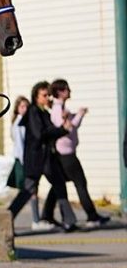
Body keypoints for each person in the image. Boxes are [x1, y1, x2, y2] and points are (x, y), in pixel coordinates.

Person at [7, 81, 75, 232]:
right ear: (36, 97)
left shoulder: (43, 112)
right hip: (36, 159)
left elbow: (49, 131)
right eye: (44, 95)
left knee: (59, 184)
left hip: (46, 158)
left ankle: (69, 220)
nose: (48, 98)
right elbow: (40, 134)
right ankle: (6, 219)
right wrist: (62, 130)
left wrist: (62, 128)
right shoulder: (33, 112)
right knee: (28, 190)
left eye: (48, 95)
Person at [42, 79, 109, 228]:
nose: (69, 91)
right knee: (80, 183)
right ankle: (92, 216)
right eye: (66, 89)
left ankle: (47, 215)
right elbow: (67, 128)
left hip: (66, 153)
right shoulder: (57, 109)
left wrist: (75, 115)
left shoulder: (60, 108)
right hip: (66, 154)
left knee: (58, 184)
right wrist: (80, 115)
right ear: (59, 92)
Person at [7, 95, 50, 230]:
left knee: (31, 190)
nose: (25, 109)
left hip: (29, 160)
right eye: (22, 106)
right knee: (28, 191)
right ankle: (33, 220)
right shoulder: (19, 124)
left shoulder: (27, 121)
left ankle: (36, 220)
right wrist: (25, 162)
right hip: (24, 161)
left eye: (26, 106)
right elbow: (20, 146)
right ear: (17, 109)